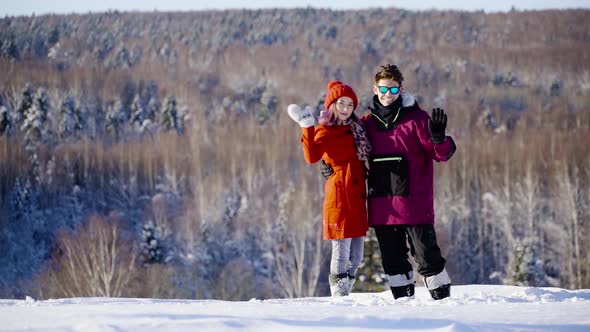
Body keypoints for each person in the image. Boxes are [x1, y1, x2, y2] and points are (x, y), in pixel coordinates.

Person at [322, 64, 456, 300]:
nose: (387, 94)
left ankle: (443, 303)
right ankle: (404, 308)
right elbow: (344, 149)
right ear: (375, 89)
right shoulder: (366, 124)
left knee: (428, 259)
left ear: (401, 90)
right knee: (393, 263)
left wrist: (438, 138)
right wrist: (330, 165)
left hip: (414, 205)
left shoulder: (416, 119)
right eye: (383, 89)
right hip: (382, 207)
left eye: (393, 90)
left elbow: (441, 154)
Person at [287, 80, 371, 297]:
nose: (345, 109)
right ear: (332, 104)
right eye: (341, 104)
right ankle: (340, 294)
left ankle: (345, 290)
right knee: (341, 251)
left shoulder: (357, 128)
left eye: (350, 105)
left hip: (358, 194)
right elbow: (312, 156)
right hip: (340, 194)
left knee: (358, 255)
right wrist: (307, 127)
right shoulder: (325, 129)